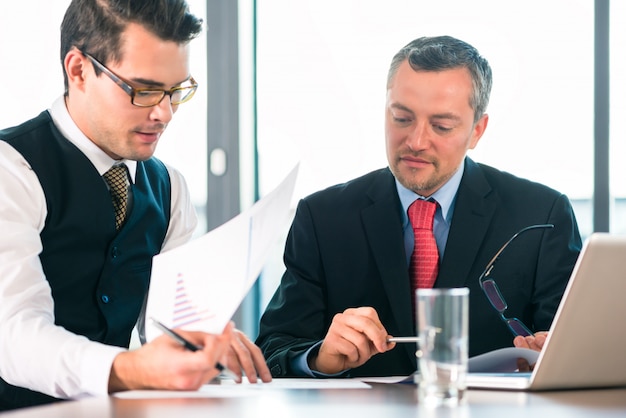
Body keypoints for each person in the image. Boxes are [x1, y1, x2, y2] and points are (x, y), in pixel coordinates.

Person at [255, 35, 582, 378]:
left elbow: (579, 348)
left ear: (477, 131)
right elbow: (274, 348)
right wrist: (320, 358)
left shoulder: (541, 215)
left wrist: (556, 353)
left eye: (441, 126)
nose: (416, 141)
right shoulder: (322, 218)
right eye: (401, 118)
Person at [0, 0, 270, 411]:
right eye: (143, 91)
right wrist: (129, 369)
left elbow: (168, 327)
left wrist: (201, 340)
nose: (164, 114)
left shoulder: (169, 188)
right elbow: (13, 336)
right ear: (78, 70)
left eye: (176, 91)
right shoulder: (11, 169)